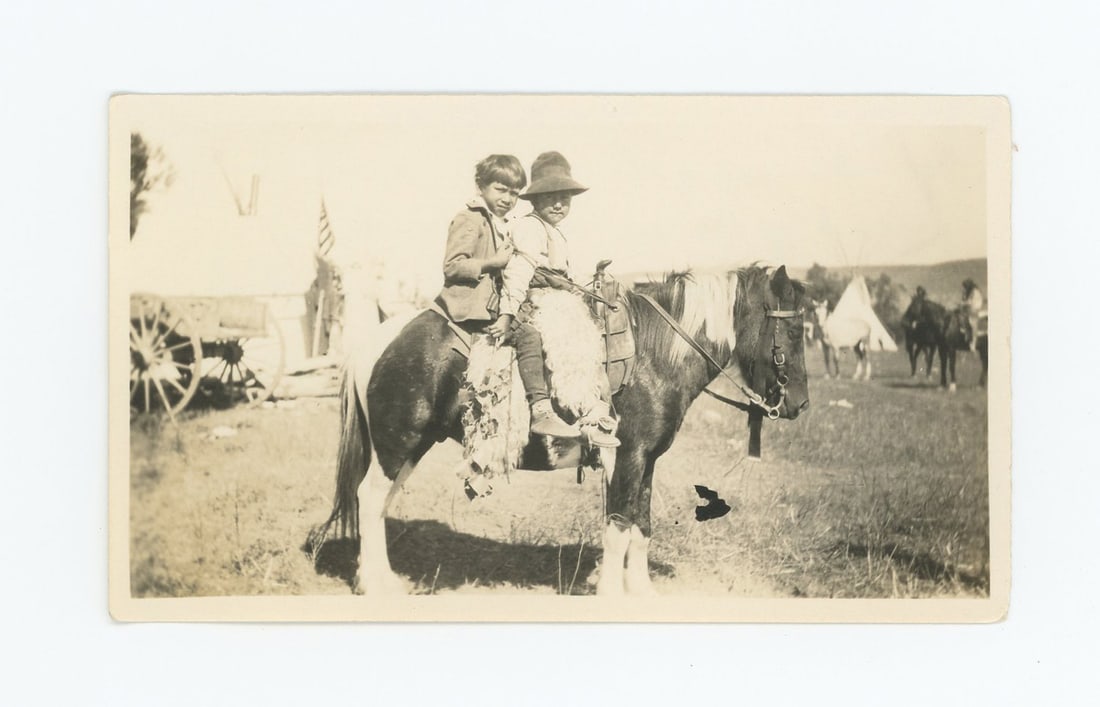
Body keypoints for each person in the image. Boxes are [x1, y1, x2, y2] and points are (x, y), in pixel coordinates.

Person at [491, 151, 619, 447]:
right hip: (534, 301)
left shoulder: (555, 233)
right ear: (535, 200)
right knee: (565, 335)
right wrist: (507, 313)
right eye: (550, 197)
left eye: (565, 197)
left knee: (592, 332)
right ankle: (544, 410)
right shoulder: (529, 227)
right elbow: (519, 272)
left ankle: (595, 409)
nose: (559, 204)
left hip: (555, 299)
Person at [435, 154, 523, 334]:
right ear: (480, 186)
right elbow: (452, 266)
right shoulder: (470, 218)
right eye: (500, 189)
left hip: (492, 304)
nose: (508, 199)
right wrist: (493, 263)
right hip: (471, 307)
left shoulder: (504, 224)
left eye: (514, 194)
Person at [961, 278, 986, 352]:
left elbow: (977, 303)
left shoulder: (976, 292)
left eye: (964, 287)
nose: (963, 289)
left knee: (973, 325)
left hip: (973, 312)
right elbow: (965, 301)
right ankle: (966, 338)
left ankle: (973, 344)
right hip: (967, 311)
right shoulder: (967, 293)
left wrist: (968, 304)